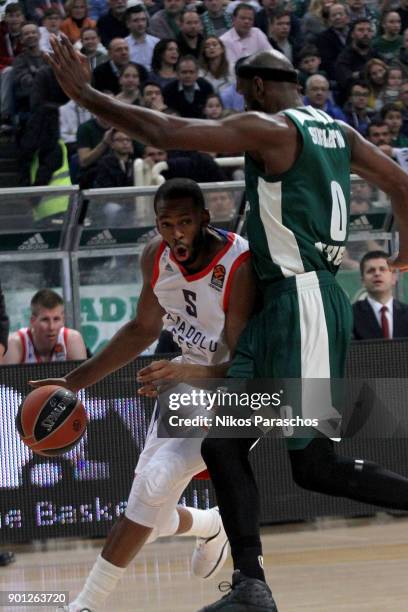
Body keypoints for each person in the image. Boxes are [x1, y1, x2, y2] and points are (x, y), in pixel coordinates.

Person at [46, 39, 408, 612]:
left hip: (303, 301)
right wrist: (405, 246)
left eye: (244, 94)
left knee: (315, 466)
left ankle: (248, 580)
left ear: (259, 88)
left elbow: (165, 132)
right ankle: (250, 583)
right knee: (223, 442)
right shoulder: (341, 132)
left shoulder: (273, 128)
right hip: (299, 305)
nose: (244, 105)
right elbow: (403, 185)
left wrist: (86, 94)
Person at [31, 178, 255, 612]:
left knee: (153, 488)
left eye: (185, 222)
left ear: (205, 219)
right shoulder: (155, 256)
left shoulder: (238, 266)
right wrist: (70, 383)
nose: (174, 233)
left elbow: (245, 368)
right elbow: (141, 329)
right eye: (165, 223)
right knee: (147, 505)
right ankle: (211, 524)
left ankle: (85, 605)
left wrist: (186, 371)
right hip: (186, 383)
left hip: (238, 394)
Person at [3, 289, 87, 363]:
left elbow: (85, 380)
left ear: (63, 320)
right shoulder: (16, 343)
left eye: (56, 319)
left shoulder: (72, 339)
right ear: (32, 321)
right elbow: (6, 380)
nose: (51, 327)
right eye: (45, 320)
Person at [353, 250, 408, 339]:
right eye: (371, 271)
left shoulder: (406, 313)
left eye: (382, 269)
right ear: (362, 280)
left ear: (394, 277)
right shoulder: (352, 316)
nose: (377, 274)